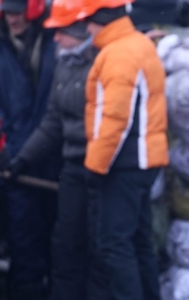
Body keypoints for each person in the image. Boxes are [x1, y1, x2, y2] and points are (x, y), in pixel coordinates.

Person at [76, 0, 169, 299]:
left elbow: (116, 119)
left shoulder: (119, 53)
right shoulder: (135, 44)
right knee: (138, 242)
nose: (86, 27)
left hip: (125, 163)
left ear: (99, 19)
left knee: (114, 245)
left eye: (88, 20)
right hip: (141, 161)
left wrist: (95, 166)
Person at [10, 0, 97, 298]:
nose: (11, 19)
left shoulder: (84, 59)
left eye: (16, 11)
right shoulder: (60, 60)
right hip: (52, 161)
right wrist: (20, 158)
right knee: (51, 241)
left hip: (79, 164)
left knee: (81, 243)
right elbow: (49, 119)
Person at [0, 0, 61, 298]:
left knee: (58, 242)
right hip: (12, 160)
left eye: (17, 11)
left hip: (52, 158)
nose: (12, 19)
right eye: (7, 12)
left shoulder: (56, 40)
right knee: (24, 240)